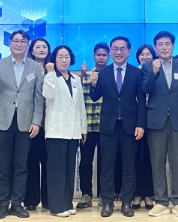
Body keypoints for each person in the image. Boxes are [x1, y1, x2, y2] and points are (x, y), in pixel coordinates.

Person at [0, 30, 44, 219]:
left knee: (21, 166)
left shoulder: (35, 67)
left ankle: (17, 203)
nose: (19, 44)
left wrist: (36, 121)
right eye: (15, 41)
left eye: (23, 41)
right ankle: (3, 204)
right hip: (3, 121)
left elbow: (38, 97)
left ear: (27, 44)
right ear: (9, 43)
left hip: (25, 122)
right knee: (2, 166)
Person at [90, 36, 146, 218]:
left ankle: (127, 202)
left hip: (130, 126)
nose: (119, 52)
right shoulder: (103, 72)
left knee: (129, 166)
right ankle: (107, 202)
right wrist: (93, 84)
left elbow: (141, 101)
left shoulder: (136, 73)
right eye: (115, 48)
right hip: (108, 126)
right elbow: (95, 97)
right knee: (107, 166)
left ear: (129, 51)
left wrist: (140, 124)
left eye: (122, 49)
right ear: (111, 52)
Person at [141, 32, 178, 218]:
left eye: (167, 44)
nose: (164, 47)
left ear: (173, 46)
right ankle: (161, 201)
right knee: (157, 162)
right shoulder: (148, 66)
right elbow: (145, 89)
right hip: (156, 120)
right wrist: (154, 72)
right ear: (156, 47)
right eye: (160, 44)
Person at [43, 45, 87, 217]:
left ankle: (67, 203)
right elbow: (48, 94)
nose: (64, 60)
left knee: (69, 170)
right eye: (60, 57)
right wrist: (49, 73)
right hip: (56, 130)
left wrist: (83, 128)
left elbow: (80, 105)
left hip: (73, 131)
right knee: (56, 171)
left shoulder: (75, 79)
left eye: (67, 56)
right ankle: (56, 206)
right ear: (54, 59)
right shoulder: (51, 76)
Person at [76, 42, 109, 210]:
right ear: (94, 56)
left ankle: (104, 195)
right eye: (98, 55)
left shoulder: (111, 74)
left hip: (106, 127)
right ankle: (86, 194)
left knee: (105, 163)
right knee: (85, 162)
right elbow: (77, 99)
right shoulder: (85, 74)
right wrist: (82, 76)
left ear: (108, 57)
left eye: (104, 55)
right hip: (87, 127)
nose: (101, 57)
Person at [24, 38, 51, 212]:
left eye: (44, 47)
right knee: (31, 162)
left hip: (50, 123)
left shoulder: (54, 68)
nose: (41, 49)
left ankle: (49, 199)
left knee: (49, 162)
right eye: (38, 47)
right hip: (31, 122)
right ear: (32, 51)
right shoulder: (26, 68)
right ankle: (31, 199)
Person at [133, 44, 156, 211]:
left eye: (148, 54)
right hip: (135, 120)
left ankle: (148, 194)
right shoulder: (134, 72)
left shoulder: (157, 71)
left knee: (150, 158)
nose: (145, 57)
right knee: (135, 158)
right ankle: (136, 194)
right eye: (142, 54)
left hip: (154, 119)